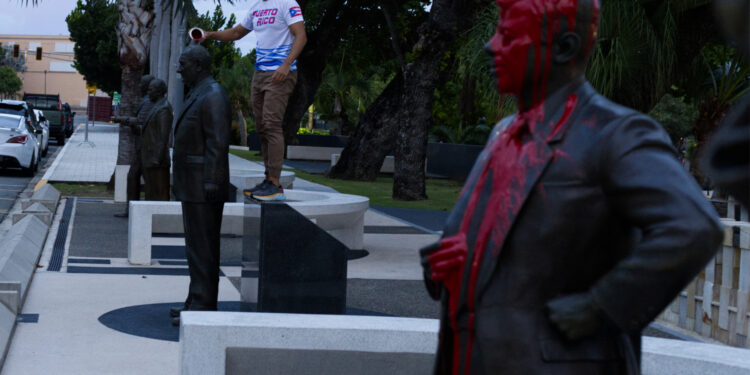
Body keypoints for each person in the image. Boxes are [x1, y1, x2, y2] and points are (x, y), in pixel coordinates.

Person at [419, 1, 724, 374]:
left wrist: (602, 306)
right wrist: (443, 268)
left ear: (563, 47)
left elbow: (693, 226)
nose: (491, 45)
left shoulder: (616, 134)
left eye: (509, 36)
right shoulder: (503, 133)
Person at [202, 0, 307, 201]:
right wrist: (210, 35)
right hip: (259, 73)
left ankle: (275, 184)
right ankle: (268, 180)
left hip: (280, 73)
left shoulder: (287, 3)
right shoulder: (257, 7)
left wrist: (286, 65)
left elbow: (301, 36)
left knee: (272, 125)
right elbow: (236, 33)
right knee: (262, 128)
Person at [170, 45, 232, 326]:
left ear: (198, 65)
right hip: (192, 184)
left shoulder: (214, 95)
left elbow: (218, 144)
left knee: (204, 247)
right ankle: (195, 298)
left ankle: (204, 304)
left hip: (203, 186)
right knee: (195, 246)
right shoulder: (198, 92)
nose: (179, 69)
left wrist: (211, 180)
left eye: (183, 64)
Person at [113, 74, 155, 218]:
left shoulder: (149, 102)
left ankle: (138, 210)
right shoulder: (146, 100)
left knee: (137, 177)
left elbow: (140, 121)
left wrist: (121, 119)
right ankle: (131, 208)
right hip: (141, 147)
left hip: (145, 147)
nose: (139, 86)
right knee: (133, 177)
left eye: (142, 84)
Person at [140, 78, 172, 201]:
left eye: (151, 90)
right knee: (151, 192)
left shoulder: (163, 108)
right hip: (151, 158)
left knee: (160, 192)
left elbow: (163, 136)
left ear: (159, 92)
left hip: (157, 161)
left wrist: (156, 158)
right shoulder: (156, 106)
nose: (148, 92)